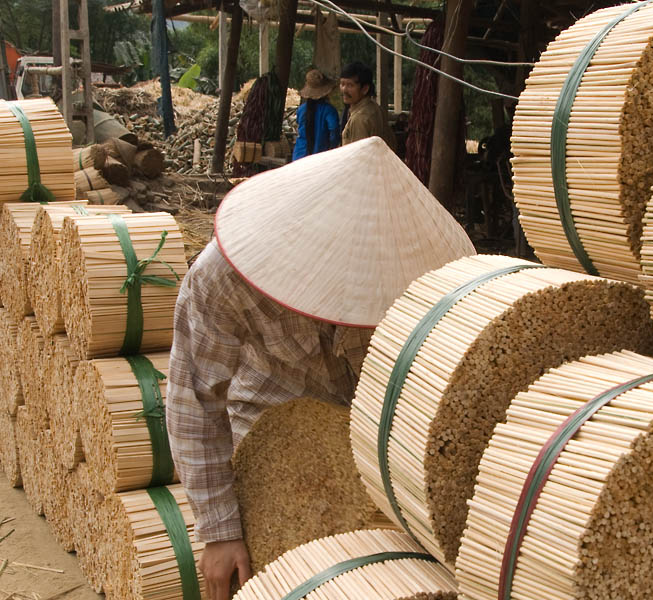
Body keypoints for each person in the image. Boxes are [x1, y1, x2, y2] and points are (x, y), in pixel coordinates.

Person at [166, 137, 475, 600]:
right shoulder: (222, 276)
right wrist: (219, 530)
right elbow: (194, 398)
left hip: (378, 427)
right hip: (269, 416)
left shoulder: (421, 276)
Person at [339, 62, 397, 150]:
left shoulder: (359, 119)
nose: (344, 90)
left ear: (365, 89)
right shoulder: (375, 108)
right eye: (342, 84)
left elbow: (358, 156)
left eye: (350, 85)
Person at [291, 68, 341, 161]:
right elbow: (334, 130)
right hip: (320, 158)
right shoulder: (329, 110)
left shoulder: (301, 109)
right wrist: (332, 147)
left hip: (299, 156)